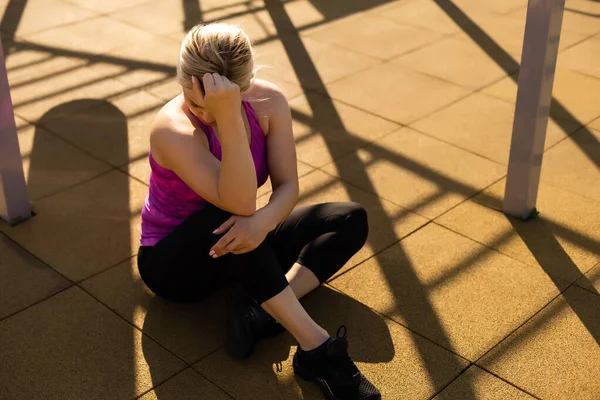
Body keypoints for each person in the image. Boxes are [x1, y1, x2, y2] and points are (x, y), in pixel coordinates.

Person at [137, 22, 381, 400]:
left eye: (216, 104)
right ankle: (316, 348)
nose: (204, 113)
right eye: (194, 100)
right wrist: (229, 118)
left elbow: (288, 187)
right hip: (174, 262)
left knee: (350, 218)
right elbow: (238, 202)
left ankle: (262, 311)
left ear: (244, 88)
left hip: (241, 236)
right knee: (229, 220)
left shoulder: (269, 103)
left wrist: (263, 223)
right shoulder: (173, 130)